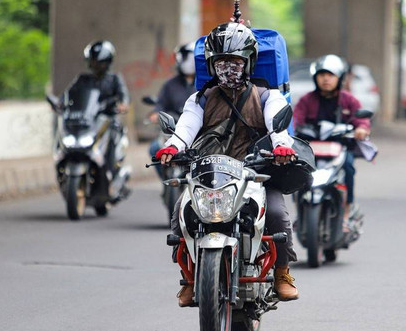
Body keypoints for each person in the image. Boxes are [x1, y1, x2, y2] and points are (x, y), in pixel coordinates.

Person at [155, 22, 300, 306]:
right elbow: (186, 126)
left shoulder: (267, 96)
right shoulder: (201, 98)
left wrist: (281, 145)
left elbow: (277, 123)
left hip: (255, 173)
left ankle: (282, 273)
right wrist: (172, 146)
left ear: (249, 62)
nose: (227, 68)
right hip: (209, 174)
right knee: (180, 214)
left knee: (279, 216)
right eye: (221, 62)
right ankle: (188, 277)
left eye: (234, 61)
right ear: (211, 64)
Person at [293, 54, 370, 233]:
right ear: (315, 78)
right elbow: (295, 120)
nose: (326, 79)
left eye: (330, 75)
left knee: (349, 168)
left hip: (340, 149)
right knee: (297, 173)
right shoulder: (306, 100)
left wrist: (361, 129)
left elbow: (362, 119)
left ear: (339, 78)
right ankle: (300, 213)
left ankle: (346, 213)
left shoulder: (348, 100)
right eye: (322, 75)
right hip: (312, 150)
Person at [64, 40, 130, 176]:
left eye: (100, 62)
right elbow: (68, 93)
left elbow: (123, 95)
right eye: (94, 62)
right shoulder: (82, 79)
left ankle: (111, 168)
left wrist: (123, 104)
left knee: (114, 134)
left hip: (107, 120)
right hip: (88, 119)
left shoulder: (114, 79)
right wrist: (60, 103)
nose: (96, 65)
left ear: (107, 62)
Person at [148, 42, 197, 175]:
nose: (190, 63)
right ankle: (166, 181)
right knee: (154, 149)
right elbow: (160, 104)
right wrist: (155, 113)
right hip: (173, 129)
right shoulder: (170, 85)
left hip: (198, 134)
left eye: (192, 59)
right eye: (187, 58)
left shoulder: (205, 84)